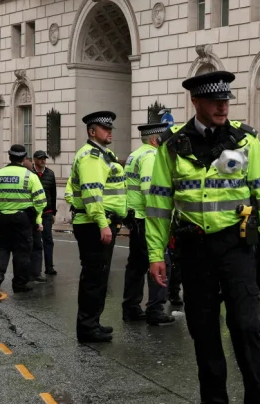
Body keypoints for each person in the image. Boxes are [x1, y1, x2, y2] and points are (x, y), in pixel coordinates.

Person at [146, 70, 260, 404]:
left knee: (246, 328)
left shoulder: (245, 141)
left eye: (226, 100)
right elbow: (158, 204)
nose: (223, 106)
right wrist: (156, 253)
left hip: (237, 247)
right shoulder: (173, 147)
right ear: (196, 102)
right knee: (203, 331)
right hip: (194, 249)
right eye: (215, 101)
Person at [67, 112, 121, 343]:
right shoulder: (92, 156)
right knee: (94, 277)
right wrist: (103, 223)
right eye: (104, 128)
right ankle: (88, 328)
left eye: (110, 128)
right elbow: (91, 193)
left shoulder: (103, 155)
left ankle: (92, 323)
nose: (110, 131)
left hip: (97, 222)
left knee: (98, 276)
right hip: (94, 224)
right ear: (92, 132)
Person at [122, 122, 175, 326]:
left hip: (136, 216)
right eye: (164, 138)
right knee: (161, 263)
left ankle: (131, 307)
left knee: (136, 264)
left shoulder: (135, 155)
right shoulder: (152, 156)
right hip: (147, 218)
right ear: (155, 140)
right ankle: (155, 308)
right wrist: (161, 218)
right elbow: (149, 190)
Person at [0, 145, 45, 294]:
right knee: (22, 252)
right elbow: (41, 201)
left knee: (1, 248)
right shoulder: (30, 175)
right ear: (24, 159)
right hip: (22, 219)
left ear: (9, 157)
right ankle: (19, 284)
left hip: (1, 218)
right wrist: (36, 218)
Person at [31, 150, 57, 279]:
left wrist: (53, 212)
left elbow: (53, 194)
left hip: (46, 212)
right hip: (33, 212)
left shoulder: (50, 174)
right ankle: (35, 270)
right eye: (40, 159)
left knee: (48, 240)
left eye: (44, 159)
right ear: (34, 160)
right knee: (35, 242)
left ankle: (49, 267)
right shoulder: (30, 174)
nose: (43, 161)